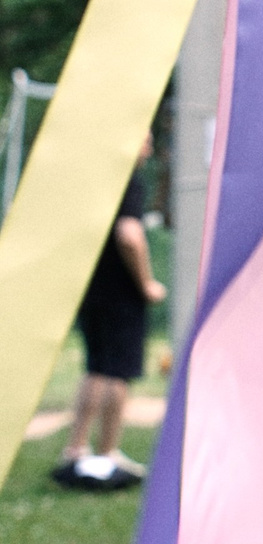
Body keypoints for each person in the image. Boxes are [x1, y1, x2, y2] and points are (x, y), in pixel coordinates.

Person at [56, 134, 163, 491]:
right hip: (120, 293)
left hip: (90, 287)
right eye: (145, 138)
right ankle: (106, 453)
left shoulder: (92, 182)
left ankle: (75, 448)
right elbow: (129, 234)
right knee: (119, 371)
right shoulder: (128, 180)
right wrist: (146, 283)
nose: (149, 144)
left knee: (96, 367)